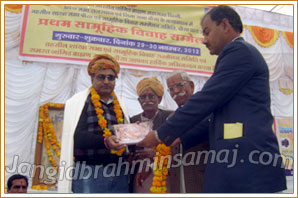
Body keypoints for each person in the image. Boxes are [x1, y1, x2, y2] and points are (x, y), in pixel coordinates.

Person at [138, 5, 287, 193]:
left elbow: (205, 100)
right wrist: (179, 138)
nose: (204, 40)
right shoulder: (235, 56)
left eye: (207, 32)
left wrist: (160, 134)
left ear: (225, 25)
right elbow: (213, 119)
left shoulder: (240, 53)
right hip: (234, 166)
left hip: (248, 165)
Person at [58, 54, 130, 193]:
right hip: (89, 171)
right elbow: (77, 137)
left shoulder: (120, 105)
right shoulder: (79, 103)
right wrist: (105, 141)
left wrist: (134, 131)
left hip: (119, 171)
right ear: (92, 78)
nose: (106, 81)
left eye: (111, 77)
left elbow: (123, 136)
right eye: (101, 77)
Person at [129, 77, 176, 193]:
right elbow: (128, 148)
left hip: (165, 173)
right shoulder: (132, 121)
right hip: (139, 173)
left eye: (151, 96)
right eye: (143, 97)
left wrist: (155, 154)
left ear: (159, 99)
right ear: (139, 100)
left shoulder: (169, 117)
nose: (147, 100)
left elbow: (176, 147)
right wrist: (130, 156)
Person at [166, 70, 209, 193]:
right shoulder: (170, 118)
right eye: (171, 89)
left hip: (201, 181)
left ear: (191, 85)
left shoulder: (206, 110)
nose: (176, 91)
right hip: (177, 185)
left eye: (179, 85)